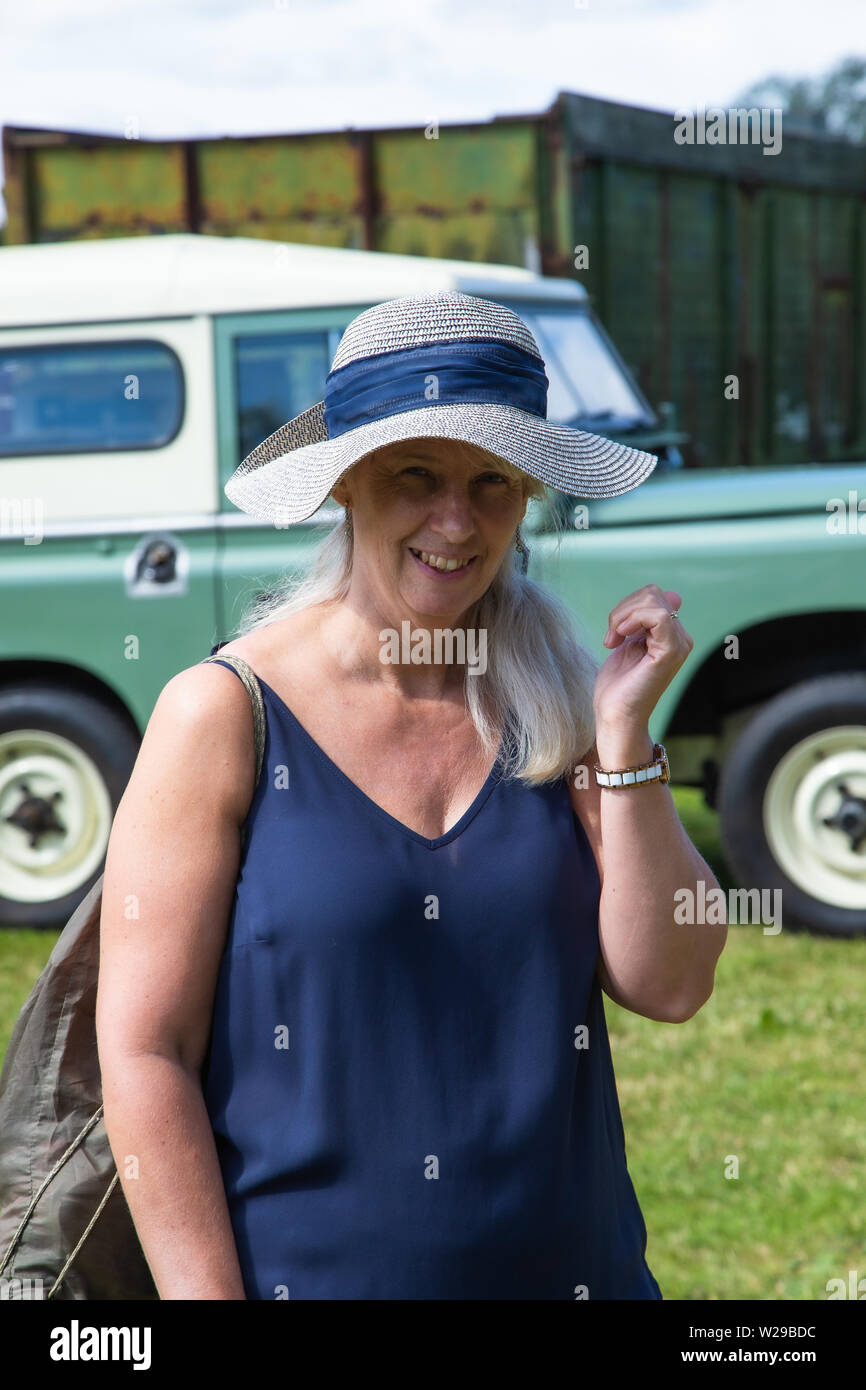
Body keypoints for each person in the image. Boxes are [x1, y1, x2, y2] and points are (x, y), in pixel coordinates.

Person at [95, 291, 727, 1300]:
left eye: (491, 481)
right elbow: (144, 1051)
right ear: (345, 482)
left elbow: (670, 982)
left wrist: (621, 739)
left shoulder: (564, 697)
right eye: (415, 475)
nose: (455, 520)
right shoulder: (222, 716)